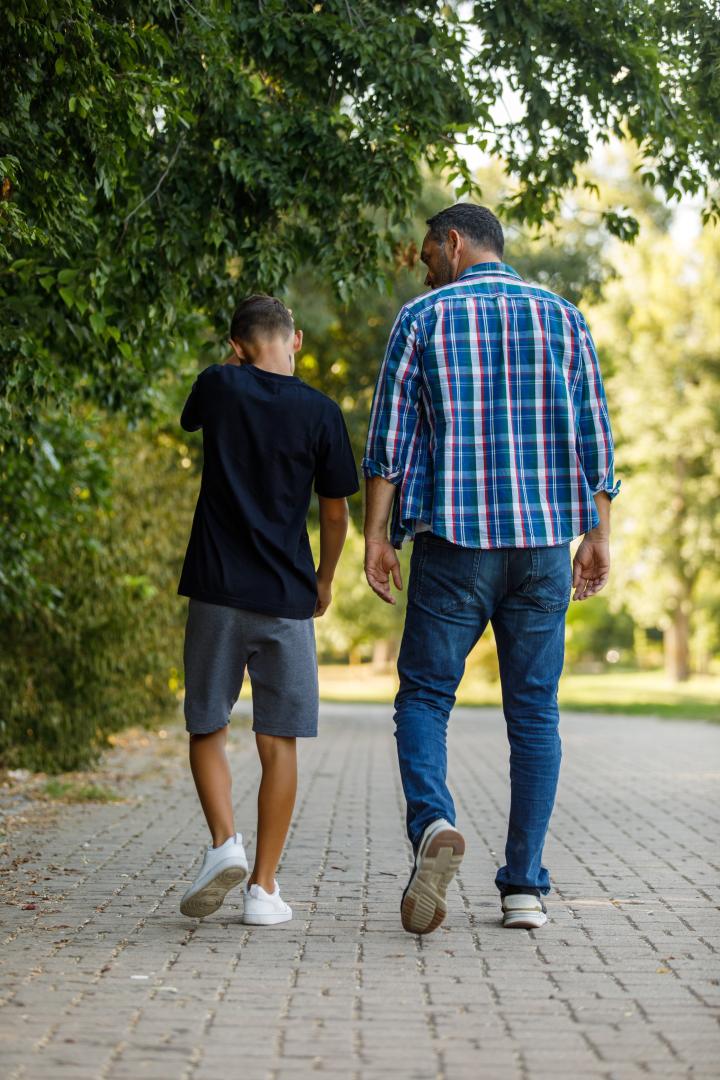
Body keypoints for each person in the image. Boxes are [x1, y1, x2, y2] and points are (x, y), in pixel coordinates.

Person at [362, 204, 619, 935]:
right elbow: (594, 436)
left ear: (452, 242)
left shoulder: (424, 319)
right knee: (534, 714)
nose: (425, 269)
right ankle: (523, 889)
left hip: (455, 546)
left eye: (426, 256)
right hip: (542, 547)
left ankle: (434, 823)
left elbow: (389, 442)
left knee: (423, 699)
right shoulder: (563, 318)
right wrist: (599, 535)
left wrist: (378, 538)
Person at [177, 294, 358, 925]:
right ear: (297, 341)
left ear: (234, 346)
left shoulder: (218, 386)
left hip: (216, 592)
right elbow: (336, 513)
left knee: (207, 724)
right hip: (287, 599)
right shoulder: (321, 413)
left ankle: (224, 843)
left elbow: (192, 417)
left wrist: (231, 363)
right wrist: (324, 580)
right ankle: (263, 890)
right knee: (279, 743)